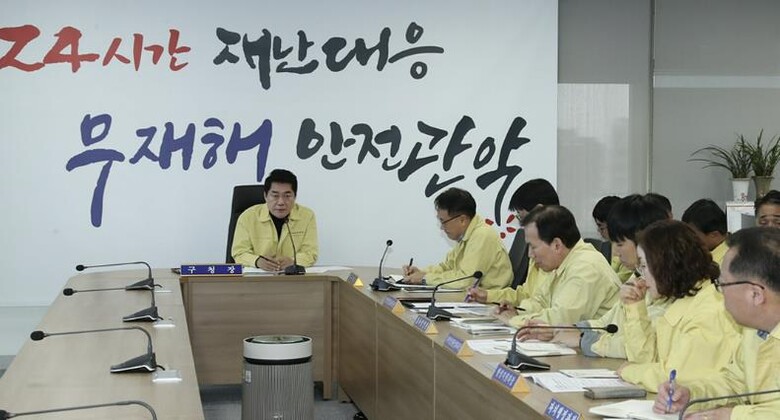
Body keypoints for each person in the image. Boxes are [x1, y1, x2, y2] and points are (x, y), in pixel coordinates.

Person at [517, 194, 670, 358]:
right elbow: (607, 322)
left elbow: (642, 347)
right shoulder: (639, 277)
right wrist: (561, 330)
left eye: (619, 244)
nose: (615, 252)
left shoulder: (587, 267)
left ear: (646, 242)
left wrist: (583, 339)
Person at [653, 227, 780, 419]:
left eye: (722, 284)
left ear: (755, 294)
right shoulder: (754, 330)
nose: (719, 292)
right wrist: (692, 394)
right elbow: (735, 382)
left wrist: (732, 416)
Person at [616, 220, 740, 392]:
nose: (642, 277)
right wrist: (634, 307)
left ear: (665, 265)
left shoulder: (710, 310)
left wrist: (630, 371)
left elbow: (678, 378)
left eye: (644, 266)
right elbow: (646, 361)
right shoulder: (679, 301)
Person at [471, 205, 621, 327]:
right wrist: (517, 311)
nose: (530, 254)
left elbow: (560, 320)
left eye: (533, 247)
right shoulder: (563, 262)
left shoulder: (586, 267)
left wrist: (514, 320)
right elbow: (542, 302)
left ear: (556, 245)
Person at [402, 187, 512, 289]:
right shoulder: (467, 234)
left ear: (462, 220)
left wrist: (425, 279)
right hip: (471, 296)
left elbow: (465, 281)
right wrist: (422, 273)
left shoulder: (482, 235)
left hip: (490, 300)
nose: (441, 227)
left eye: (443, 221)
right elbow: (448, 267)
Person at [231, 169, 318, 271]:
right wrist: (257, 261)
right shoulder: (248, 217)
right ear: (265, 196)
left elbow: (311, 253)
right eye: (275, 196)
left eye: (287, 196)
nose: (281, 202)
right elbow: (239, 253)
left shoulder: (307, 216)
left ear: (295, 196)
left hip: (292, 277)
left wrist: (293, 261)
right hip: (258, 277)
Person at [592, 195, 632, 282]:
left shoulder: (630, 247)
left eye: (601, 227)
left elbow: (617, 282)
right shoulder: (608, 246)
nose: (599, 231)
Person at [682, 198, 729, 265]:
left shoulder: (718, 264)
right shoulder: (735, 245)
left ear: (714, 235)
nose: (687, 240)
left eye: (693, 235)